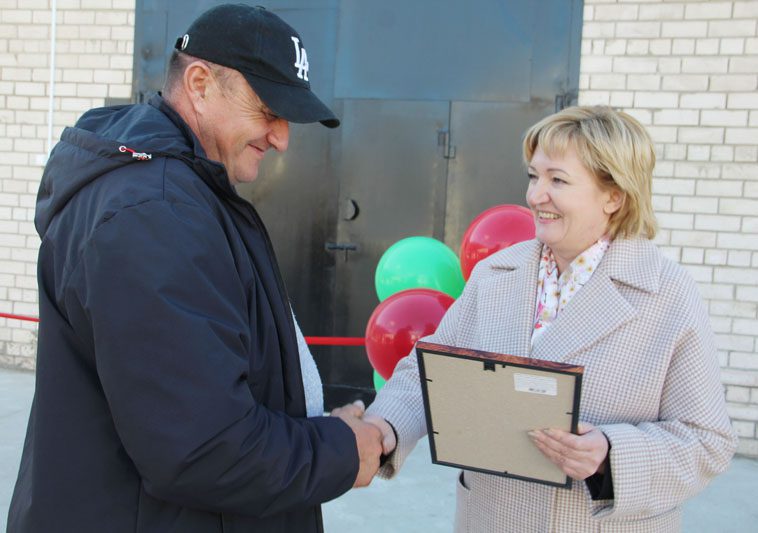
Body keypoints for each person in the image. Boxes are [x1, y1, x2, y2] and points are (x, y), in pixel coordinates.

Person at [8, 5, 382, 533]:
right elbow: (204, 448)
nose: (282, 138)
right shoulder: (155, 213)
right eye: (268, 110)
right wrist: (341, 451)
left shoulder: (172, 194)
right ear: (200, 85)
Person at [363, 106, 738, 532]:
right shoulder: (495, 274)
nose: (536, 195)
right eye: (533, 176)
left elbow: (707, 440)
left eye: (557, 180)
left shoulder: (667, 293)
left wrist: (610, 454)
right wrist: (383, 428)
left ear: (614, 196)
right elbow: (426, 374)